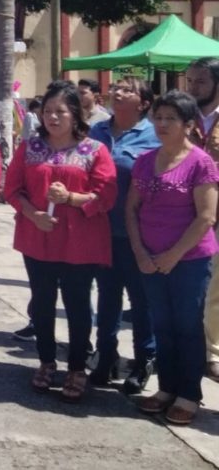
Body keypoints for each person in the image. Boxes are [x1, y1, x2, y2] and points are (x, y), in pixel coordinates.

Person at [4, 80, 116, 401]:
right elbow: (12, 189)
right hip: (38, 238)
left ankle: (77, 367)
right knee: (42, 303)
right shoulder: (30, 148)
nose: (52, 117)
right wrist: (33, 214)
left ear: (75, 114)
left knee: (77, 305)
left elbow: (106, 195)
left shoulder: (94, 150)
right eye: (48, 111)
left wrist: (71, 198)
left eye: (61, 111)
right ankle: (46, 360)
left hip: (79, 242)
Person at [128, 90, 219, 426]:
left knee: (187, 327)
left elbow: (206, 217)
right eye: (159, 117)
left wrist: (173, 255)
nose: (162, 124)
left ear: (188, 124)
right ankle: (166, 388)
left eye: (171, 119)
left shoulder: (201, 163)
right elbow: (131, 209)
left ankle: (188, 395)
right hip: (150, 259)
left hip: (189, 260)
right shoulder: (145, 160)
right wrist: (140, 252)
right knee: (162, 325)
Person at [87, 77, 159, 392]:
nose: (117, 92)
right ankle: (106, 356)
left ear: (144, 103)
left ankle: (144, 360)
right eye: (116, 87)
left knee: (141, 301)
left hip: (139, 235)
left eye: (128, 90)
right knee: (107, 298)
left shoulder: (153, 135)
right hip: (102, 231)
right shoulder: (97, 131)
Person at [185, 57, 219, 383]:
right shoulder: (180, 116)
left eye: (201, 81)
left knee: (216, 289)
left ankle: (213, 353)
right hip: (183, 216)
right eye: (190, 81)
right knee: (189, 287)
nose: (193, 88)